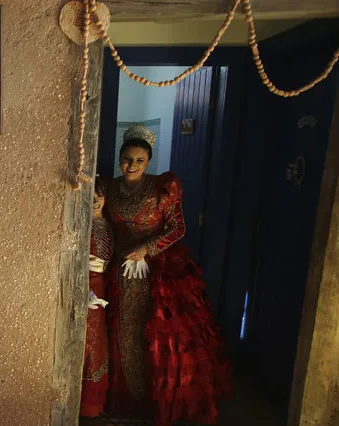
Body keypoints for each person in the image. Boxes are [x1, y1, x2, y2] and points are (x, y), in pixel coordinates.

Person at [103, 125, 232, 426]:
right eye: (126, 159)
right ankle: (123, 401)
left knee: (159, 338)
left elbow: (178, 228)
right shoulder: (108, 190)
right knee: (122, 333)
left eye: (139, 160)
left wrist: (147, 248)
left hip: (159, 273)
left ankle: (156, 404)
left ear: (148, 161)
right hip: (119, 271)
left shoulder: (163, 188)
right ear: (119, 158)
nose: (131, 166)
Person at [80, 182, 113, 418]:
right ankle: (80, 402)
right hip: (85, 286)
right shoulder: (82, 223)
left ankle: (92, 405)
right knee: (86, 339)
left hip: (101, 287)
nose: (95, 201)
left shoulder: (107, 223)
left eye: (99, 195)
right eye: (90, 196)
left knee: (97, 339)